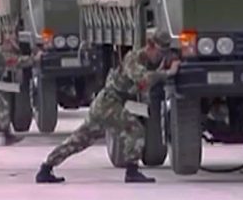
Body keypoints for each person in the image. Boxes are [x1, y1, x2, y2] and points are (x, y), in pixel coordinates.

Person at [35, 30, 180, 184]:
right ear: (150, 46)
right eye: (159, 52)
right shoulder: (134, 58)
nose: (160, 56)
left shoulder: (146, 63)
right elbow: (142, 79)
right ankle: (132, 171)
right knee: (134, 129)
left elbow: (143, 84)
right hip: (109, 103)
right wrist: (167, 73)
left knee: (79, 140)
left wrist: (159, 72)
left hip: (108, 104)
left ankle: (46, 167)